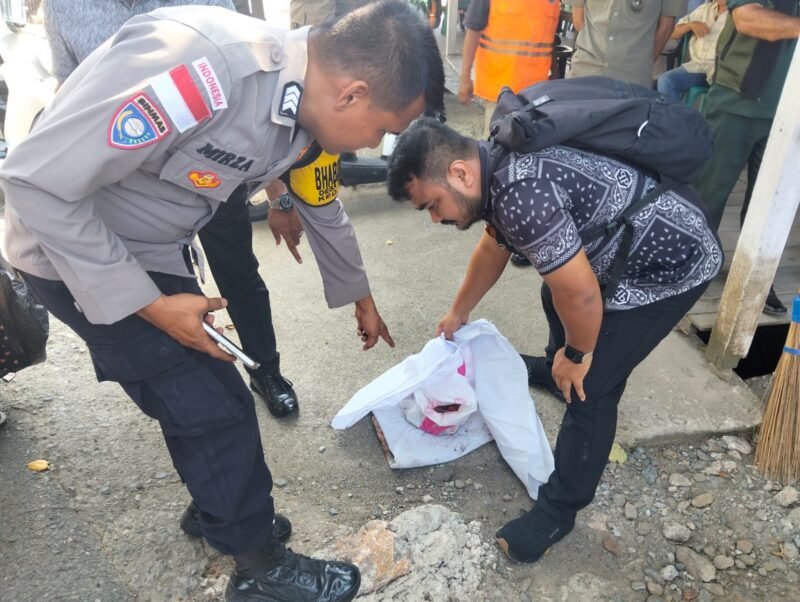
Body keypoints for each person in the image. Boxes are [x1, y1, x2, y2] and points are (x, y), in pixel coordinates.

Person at [0, 2, 444, 600]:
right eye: (384, 129)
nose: (376, 143)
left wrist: (359, 294)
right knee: (216, 408)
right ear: (353, 94)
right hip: (78, 254)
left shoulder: (304, 104)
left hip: (151, 248)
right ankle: (259, 569)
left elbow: (321, 202)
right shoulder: (202, 70)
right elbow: (34, 181)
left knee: (193, 398)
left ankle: (221, 509)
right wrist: (150, 305)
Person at [386, 117, 722, 564]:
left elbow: (582, 296)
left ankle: (558, 511)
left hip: (671, 265)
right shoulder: (495, 166)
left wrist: (579, 354)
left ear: (459, 173)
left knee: (593, 387)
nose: (435, 218)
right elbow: (493, 247)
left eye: (432, 204)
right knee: (554, 291)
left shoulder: (522, 195)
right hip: (629, 242)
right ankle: (554, 368)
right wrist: (458, 312)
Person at [42, 0, 305, 419]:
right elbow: (69, 92)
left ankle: (265, 370)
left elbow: (259, 103)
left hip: (214, 172)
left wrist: (278, 195)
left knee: (239, 273)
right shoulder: (64, 7)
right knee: (151, 290)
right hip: (130, 191)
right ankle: (183, 386)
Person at [696, 0, 799, 315]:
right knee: (708, 193)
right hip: (737, 101)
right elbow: (748, 19)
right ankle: (689, 266)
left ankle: (754, 282)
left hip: (789, 111)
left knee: (769, 206)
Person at [458, 0, 560, 134]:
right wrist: (465, 77)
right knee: (498, 142)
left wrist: (555, 74)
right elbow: (473, 30)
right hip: (500, 94)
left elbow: (549, 39)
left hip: (536, 94)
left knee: (529, 143)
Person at [569, 0, 687, 88]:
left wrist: (642, 63)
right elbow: (578, 19)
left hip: (632, 80)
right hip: (584, 70)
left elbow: (666, 27)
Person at [656, 0, 729, 101]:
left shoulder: (738, 16)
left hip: (722, 72)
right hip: (697, 67)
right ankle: (674, 112)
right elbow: (673, 33)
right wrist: (690, 25)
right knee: (666, 81)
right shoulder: (704, 9)